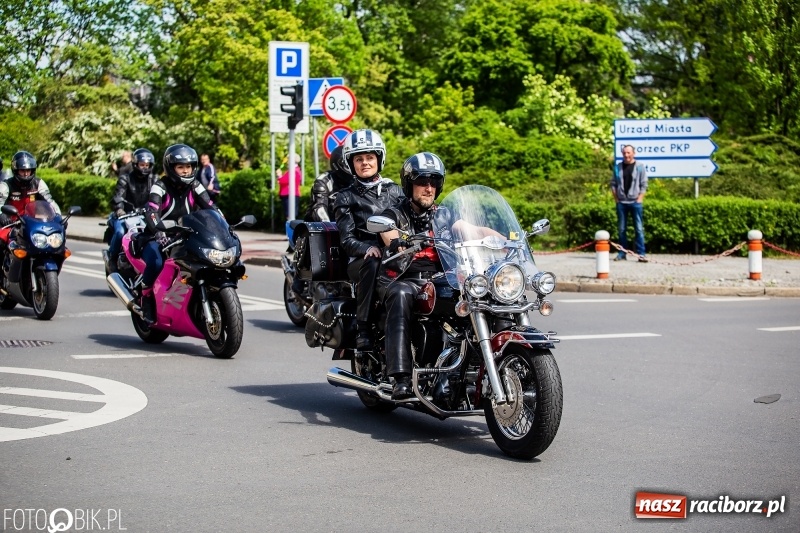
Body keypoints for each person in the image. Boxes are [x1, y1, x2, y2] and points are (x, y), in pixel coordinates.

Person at [377, 152, 503, 400]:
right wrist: (399, 242)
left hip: (441, 278)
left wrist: (503, 240)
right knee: (401, 295)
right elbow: (388, 234)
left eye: (433, 182)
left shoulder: (443, 214)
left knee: (481, 294)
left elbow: (470, 229)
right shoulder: (395, 214)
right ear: (409, 184)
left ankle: (470, 365)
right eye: (422, 181)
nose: (428, 188)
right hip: (405, 278)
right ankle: (401, 377)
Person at [333, 129, 404, 351]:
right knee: (373, 262)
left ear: (379, 159)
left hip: (396, 253)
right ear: (351, 163)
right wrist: (368, 248)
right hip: (362, 260)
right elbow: (347, 239)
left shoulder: (397, 192)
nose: (365, 163)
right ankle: (362, 327)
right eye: (359, 159)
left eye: (370, 157)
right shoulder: (345, 197)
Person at [139, 144, 219, 323]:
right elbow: (151, 212)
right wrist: (158, 230)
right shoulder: (160, 186)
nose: (185, 171)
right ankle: (146, 298)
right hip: (159, 236)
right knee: (156, 261)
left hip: (186, 235)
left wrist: (223, 225)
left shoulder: (195, 185)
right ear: (171, 168)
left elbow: (210, 206)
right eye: (181, 167)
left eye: (189, 167)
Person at [106, 148, 157, 273]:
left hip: (146, 215)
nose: (144, 168)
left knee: (157, 234)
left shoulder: (154, 179)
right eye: (142, 165)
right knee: (120, 231)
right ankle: (112, 259)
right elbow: (118, 196)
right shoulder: (125, 178)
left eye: (147, 165)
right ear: (135, 164)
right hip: (127, 215)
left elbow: (159, 199)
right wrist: (120, 209)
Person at [0, 151, 61, 249]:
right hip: (10, 225)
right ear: (15, 170)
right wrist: (2, 216)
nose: (26, 174)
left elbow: (50, 202)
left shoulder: (38, 184)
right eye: (22, 171)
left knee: (56, 246)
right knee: (1, 241)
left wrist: (59, 217)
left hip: (32, 225)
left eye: (28, 170)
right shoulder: (6, 185)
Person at [610, 144, 648, 262]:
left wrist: (640, 198)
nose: (626, 155)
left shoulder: (640, 167)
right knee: (621, 229)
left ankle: (641, 254)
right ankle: (622, 253)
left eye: (628, 153)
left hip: (635, 202)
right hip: (622, 202)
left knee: (639, 229)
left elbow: (644, 184)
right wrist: (616, 198)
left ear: (633, 153)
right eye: (624, 153)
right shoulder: (618, 167)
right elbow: (613, 184)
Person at [304, 145, 353, 223]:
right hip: (319, 229)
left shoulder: (360, 180)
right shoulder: (324, 181)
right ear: (337, 164)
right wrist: (328, 227)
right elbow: (319, 208)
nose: (351, 166)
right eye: (347, 164)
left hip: (348, 229)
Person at [276, 152, 302, 222]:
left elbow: (284, 180)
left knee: (289, 215)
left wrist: (279, 176)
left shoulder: (294, 170)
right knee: (290, 215)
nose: (287, 161)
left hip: (289, 195)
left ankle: (291, 231)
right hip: (289, 194)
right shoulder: (295, 170)